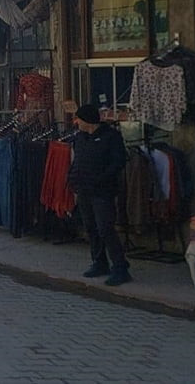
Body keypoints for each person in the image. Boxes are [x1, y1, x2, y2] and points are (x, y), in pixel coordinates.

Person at [68, 103, 132, 287]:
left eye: (78, 119)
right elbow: (77, 160)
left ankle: (120, 267)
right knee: (91, 227)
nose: (76, 122)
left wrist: (102, 179)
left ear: (87, 120)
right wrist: (72, 178)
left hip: (102, 190)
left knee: (105, 228)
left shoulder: (111, 137)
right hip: (84, 190)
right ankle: (99, 262)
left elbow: (118, 162)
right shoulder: (80, 138)